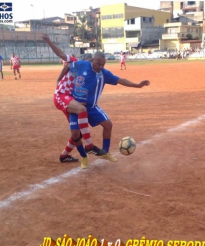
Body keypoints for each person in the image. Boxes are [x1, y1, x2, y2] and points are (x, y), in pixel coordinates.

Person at [41, 33, 150, 163]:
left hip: (91, 107)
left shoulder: (104, 73)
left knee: (108, 125)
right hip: (77, 105)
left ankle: (104, 151)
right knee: (76, 134)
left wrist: (138, 85)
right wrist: (58, 78)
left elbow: (121, 80)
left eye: (103, 64)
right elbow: (65, 59)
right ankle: (87, 149)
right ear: (92, 60)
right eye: (98, 64)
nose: (101, 67)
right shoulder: (81, 64)